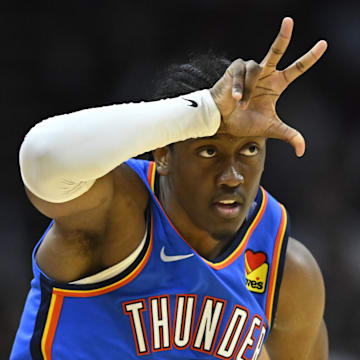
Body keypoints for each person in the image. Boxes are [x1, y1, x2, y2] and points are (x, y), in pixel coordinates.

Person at [11, 17, 328, 359]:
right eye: (209, 151)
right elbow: (42, 157)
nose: (232, 176)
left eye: (249, 150)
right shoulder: (119, 211)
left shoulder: (288, 271)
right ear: (163, 154)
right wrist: (204, 112)